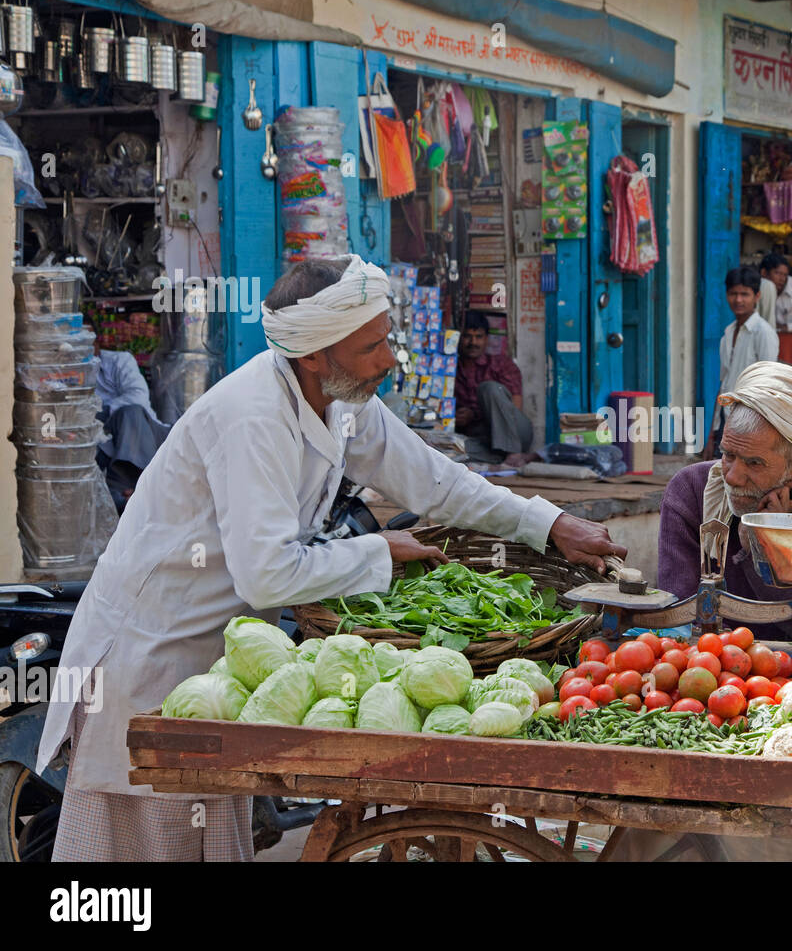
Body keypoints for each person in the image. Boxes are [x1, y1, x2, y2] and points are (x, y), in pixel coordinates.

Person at [35, 256, 626, 862]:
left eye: (387, 340)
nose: (389, 359)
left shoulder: (343, 403)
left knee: (206, 837)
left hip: (213, 662)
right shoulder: (251, 417)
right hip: (150, 654)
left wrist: (548, 523)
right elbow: (267, 575)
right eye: (371, 347)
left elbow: (437, 482)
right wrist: (378, 551)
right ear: (315, 354)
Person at [659, 361, 792, 641]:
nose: (732, 477)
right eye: (728, 455)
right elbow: (677, 619)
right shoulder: (690, 490)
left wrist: (773, 551)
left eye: (754, 463)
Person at [704, 267, 780, 457]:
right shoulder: (728, 333)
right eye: (733, 294)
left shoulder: (763, 333)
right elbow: (724, 382)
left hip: (750, 425)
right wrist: (712, 434)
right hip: (726, 421)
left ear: (757, 296)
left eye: (744, 294)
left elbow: (768, 385)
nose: (738, 300)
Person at [92, 336, 171, 511]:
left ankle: (147, 488)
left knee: (129, 413)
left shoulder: (119, 360)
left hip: (144, 431)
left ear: (97, 344)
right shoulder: (71, 373)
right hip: (107, 441)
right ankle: (128, 494)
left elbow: (137, 396)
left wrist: (102, 415)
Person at [454, 311, 534, 466]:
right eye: (467, 336)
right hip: (483, 439)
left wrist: (475, 415)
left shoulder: (503, 365)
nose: (473, 342)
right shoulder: (451, 370)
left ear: (487, 339)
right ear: (458, 338)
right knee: (451, 451)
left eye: (479, 337)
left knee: (489, 388)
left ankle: (513, 454)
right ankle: (501, 459)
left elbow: (514, 410)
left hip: (516, 434)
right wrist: (456, 417)